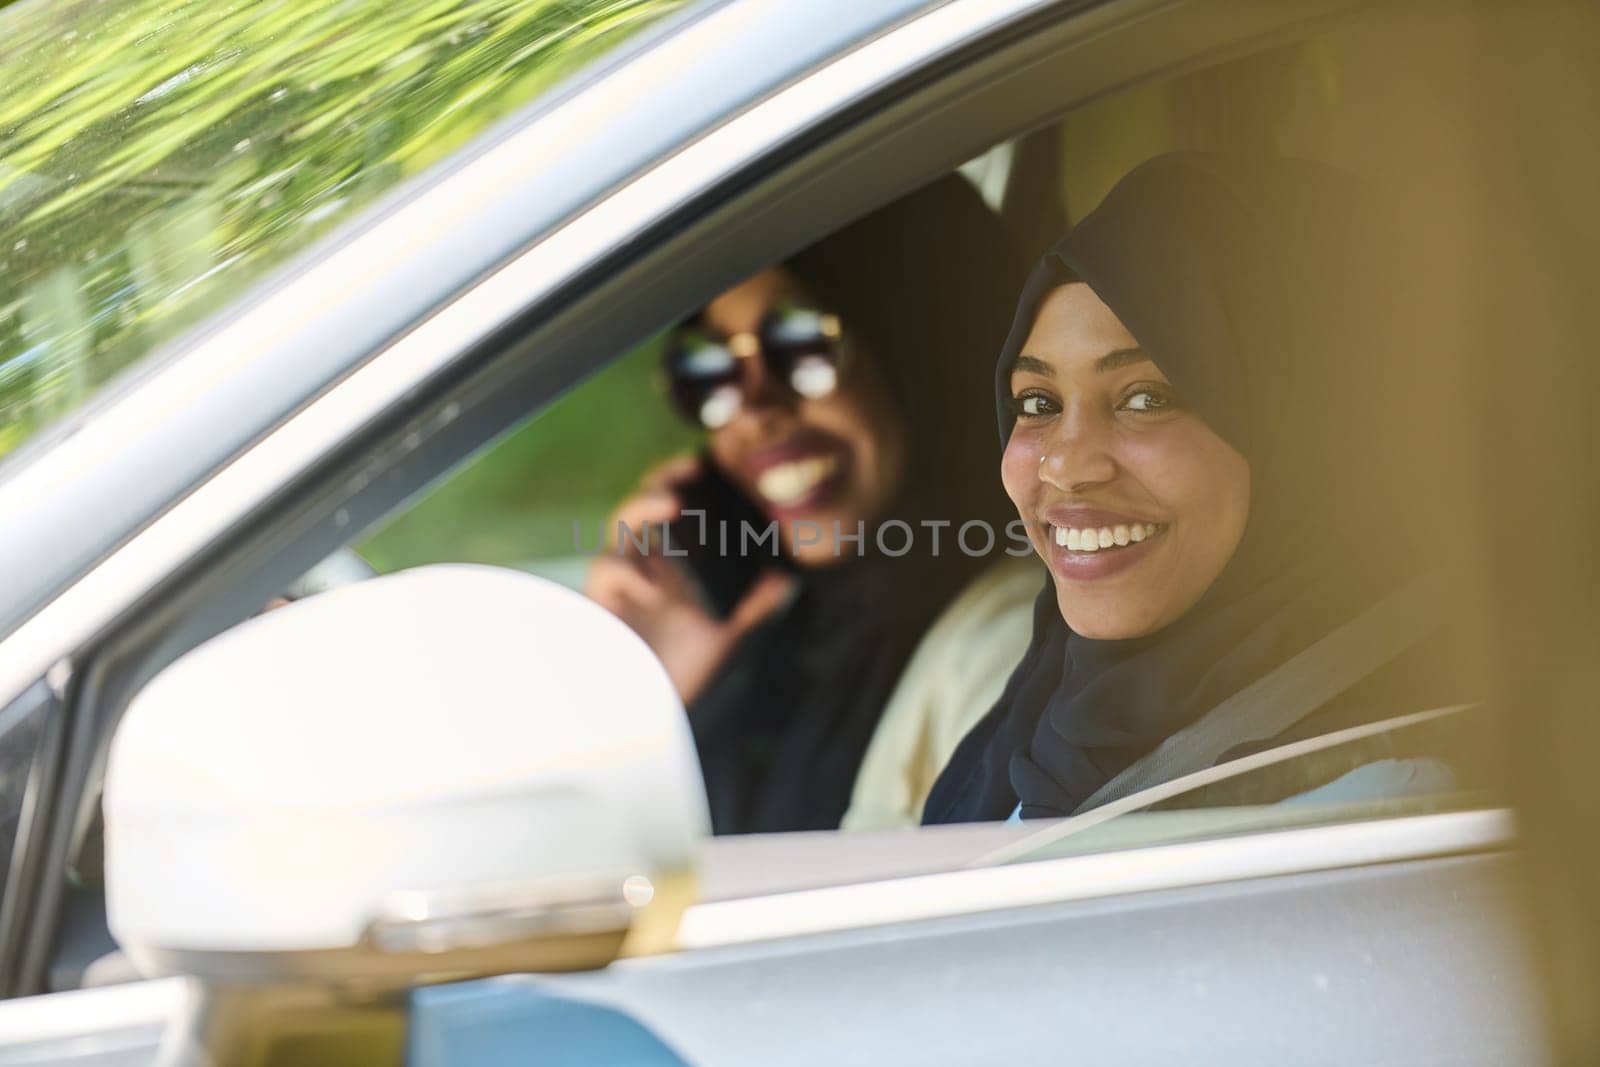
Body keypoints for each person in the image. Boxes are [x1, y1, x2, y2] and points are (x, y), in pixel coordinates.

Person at [924, 152, 1480, 825]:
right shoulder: (1044, 717)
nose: (1066, 465)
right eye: (1038, 402)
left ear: (1299, 435)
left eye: (1145, 396)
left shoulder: (1379, 803)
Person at [587, 175, 1022, 834]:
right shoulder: (796, 639)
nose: (755, 411)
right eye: (708, 369)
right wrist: (668, 700)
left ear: (922, 345)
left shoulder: (1007, 645)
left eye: (802, 345)